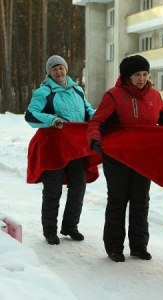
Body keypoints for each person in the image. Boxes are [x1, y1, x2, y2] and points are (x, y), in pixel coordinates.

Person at [87, 55, 163, 262]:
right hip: (118, 156)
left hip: (144, 157)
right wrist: (95, 140)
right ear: (127, 76)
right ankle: (114, 247)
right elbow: (97, 122)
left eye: (144, 74)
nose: (142, 78)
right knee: (118, 201)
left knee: (141, 201)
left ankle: (139, 246)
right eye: (137, 75)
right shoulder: (113, 95)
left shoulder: (154, 96)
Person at [25, 55, 96, 245]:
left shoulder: (77, 90)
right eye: (54, 69)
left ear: (66, 69)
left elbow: (89, 112)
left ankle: (70, 226)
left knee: (78, 186)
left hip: (75, 147)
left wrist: (102, 118)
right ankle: (50, 231)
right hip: (53, 147)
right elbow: (31, 115)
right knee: (53, 190)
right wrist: (52, 120)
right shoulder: (44, 91)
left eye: (61, 68)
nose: (59, 71)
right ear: (49, 72)